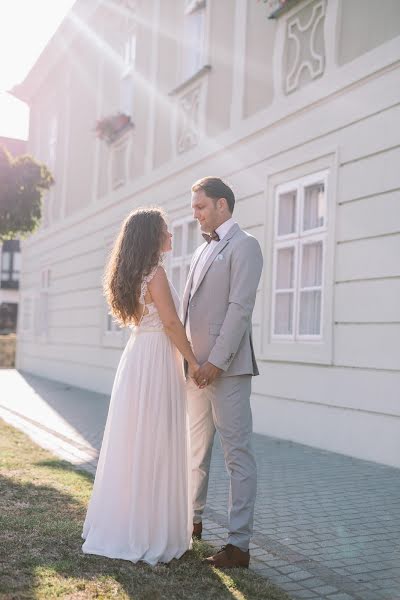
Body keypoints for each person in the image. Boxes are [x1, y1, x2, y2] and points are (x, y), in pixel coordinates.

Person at [82, 207, 200, 565]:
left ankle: (127, 522)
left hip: (138, 357)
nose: (171, 235)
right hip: (156, 359)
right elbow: (171, 324)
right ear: (152, 236)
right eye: (166, 230)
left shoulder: (132, 274)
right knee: (156, 439)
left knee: (135, 440)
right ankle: (150, 531)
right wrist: (194, 362)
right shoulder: (157, 274)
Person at [183, 176, 263, 568]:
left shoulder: (246, 246)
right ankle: (190, 522)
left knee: (237, 456)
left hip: (226, 370)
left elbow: (240, 309)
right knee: (194, 451)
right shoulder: (201, 251)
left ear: (222, 206)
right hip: (194, 369)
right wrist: (189, 361)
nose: (195, 213)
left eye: (200, 206)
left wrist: (216, 361)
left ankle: (238, 545)